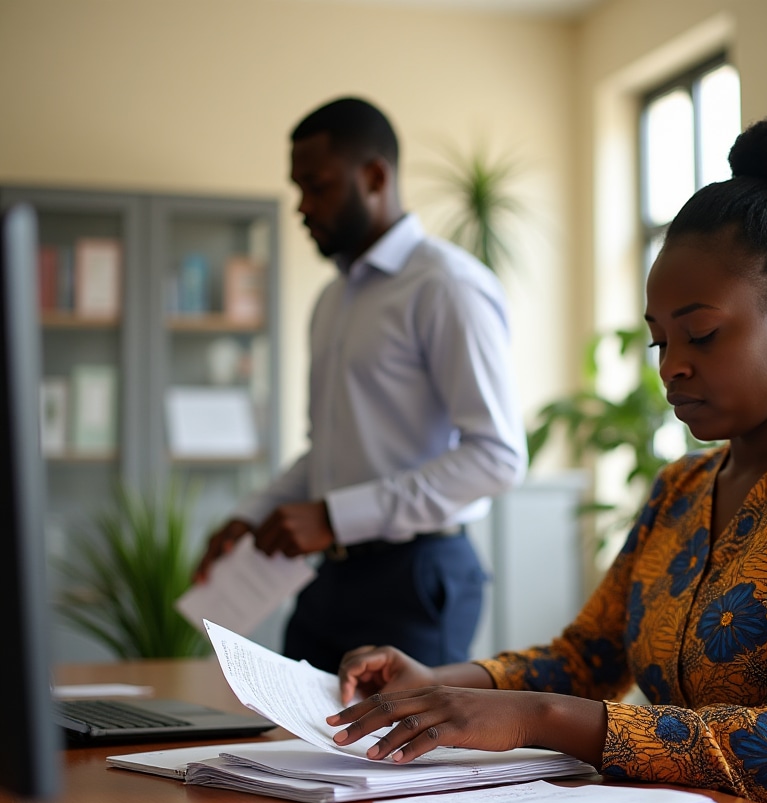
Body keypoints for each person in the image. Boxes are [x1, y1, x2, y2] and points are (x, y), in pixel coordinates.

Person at [327, 115, 767, 803]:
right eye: (658, 340)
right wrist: (440, 684)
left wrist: (535, 716)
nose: (670, 365)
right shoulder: (682, 487)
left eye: (700, 335)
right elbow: (585, 657)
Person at [196, 97, 527, 673]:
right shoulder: (332, 301)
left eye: (316, 186)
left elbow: (496, 457)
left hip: (418, 576)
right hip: (333, 575)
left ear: (375, 176)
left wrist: (334, 516)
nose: (302, 207)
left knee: (403, 760)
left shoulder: (446, 286)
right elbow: (328, 448)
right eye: (297, 188)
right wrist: (253, 514)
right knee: (288, 743)